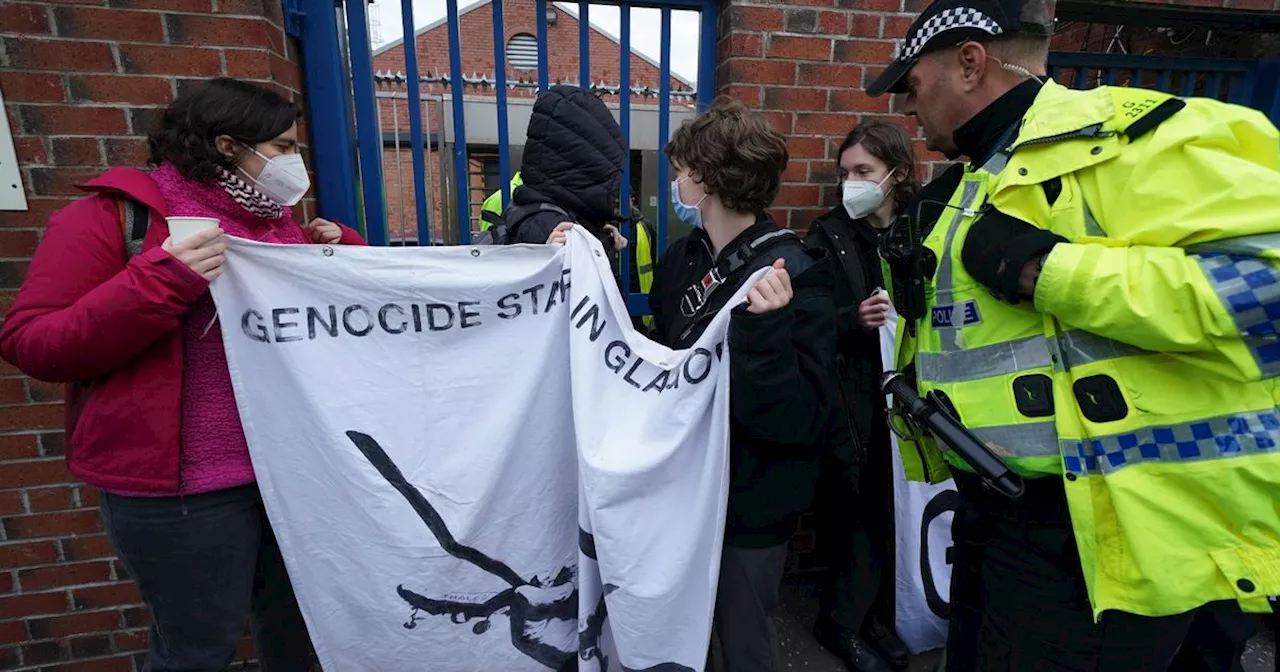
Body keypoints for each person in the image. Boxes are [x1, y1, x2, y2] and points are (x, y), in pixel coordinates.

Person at [866, 0, 1280, 669]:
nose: (908, 109)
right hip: (996, 516)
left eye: (913, 85)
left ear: (970, 63)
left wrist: (1047, 271)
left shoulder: (1130, 141)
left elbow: (1267, 290)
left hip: (1100, 539)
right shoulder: (977, 180)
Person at [0, 77, 365, 671]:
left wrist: (341, 249)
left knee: (303, 636)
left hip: (293, 475)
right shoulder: (110, 218)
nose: (296, 164)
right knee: (197, 649)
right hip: (184, 495)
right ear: (229, 147)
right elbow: (33, 344)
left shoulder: (278, 222)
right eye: (282, 148)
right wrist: (160, 281)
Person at [647, 99, 845, 672]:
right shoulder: (679, 260)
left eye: (682, 169)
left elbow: (799, 422)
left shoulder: (797, 274)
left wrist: (763, 334)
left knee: (743, 640)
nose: (677, 181)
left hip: (750, 503)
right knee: (679, 632)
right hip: (683, 488)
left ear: (706, 178)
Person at [804, 121, 921, 672]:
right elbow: (807, 322)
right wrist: (851, 320)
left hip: (913, 399)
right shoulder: (828, 235)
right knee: (858, 512)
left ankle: (873, 614)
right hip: (853, 404)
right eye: (844, 172)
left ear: (896, 175)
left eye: (863, 172)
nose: (850, 183)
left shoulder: (922, 229)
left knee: (895, 512)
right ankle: (841, 621)